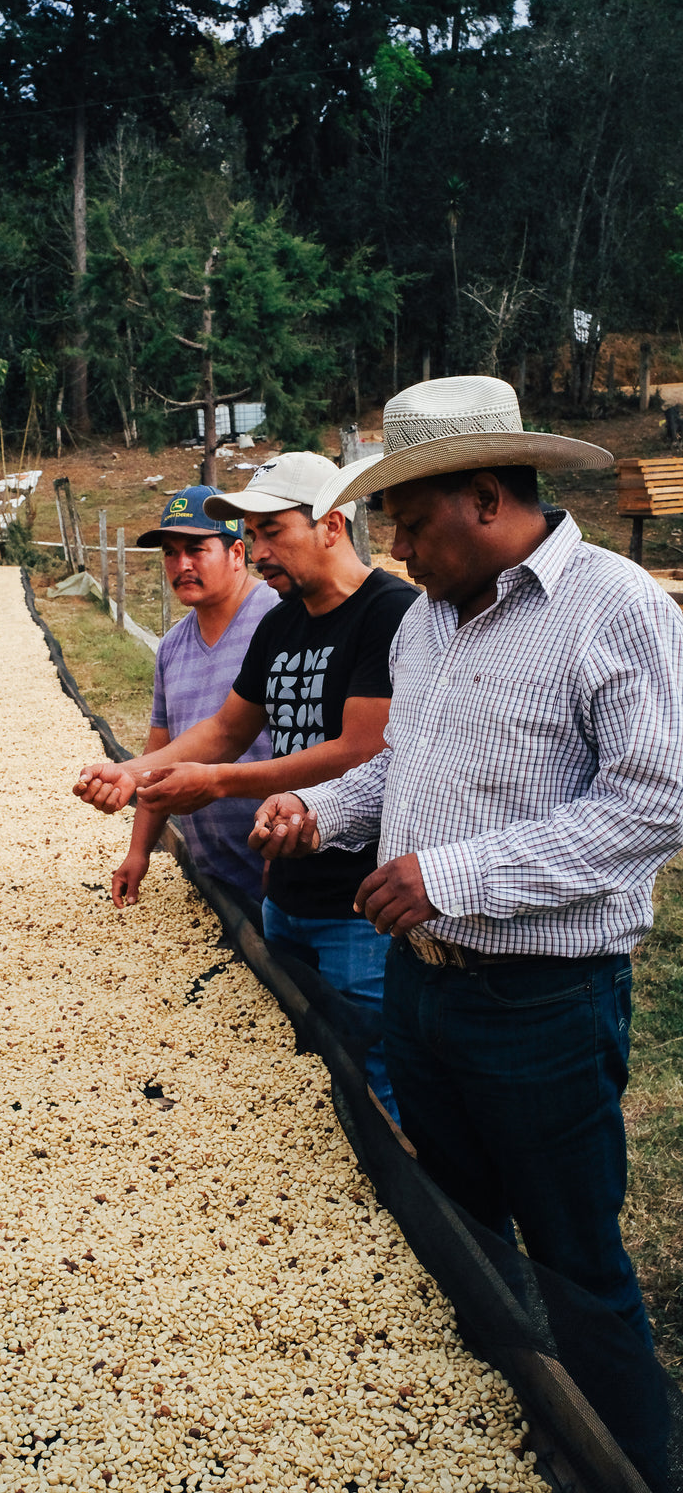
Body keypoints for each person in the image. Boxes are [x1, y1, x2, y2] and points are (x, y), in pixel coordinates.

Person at [253, 375, 683, 1351]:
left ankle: (621, 1450)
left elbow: (656, 800)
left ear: (487, 499)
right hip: (423, 989)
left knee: (574, 1260)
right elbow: (402, 766)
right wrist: (317, 811)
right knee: (458, 1234)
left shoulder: (613, 609)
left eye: (409, 522)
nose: (396, 551)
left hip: (541, 1006)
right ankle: (492, 1405)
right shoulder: (426, 620)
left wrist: (450, 879)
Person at [75, 452, 419, 1120]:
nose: (259, 552)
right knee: (298, 1064)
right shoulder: (283, 622)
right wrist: (132, 772)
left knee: (376, 1068)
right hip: (283, 892)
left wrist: (219, 784)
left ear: (332, 525)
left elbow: (357, 749)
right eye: (252, 536)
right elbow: (227, 728)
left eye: (271, 533)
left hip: (358, 901)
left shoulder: (389, 613)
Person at [112, 484, 279, 909]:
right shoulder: (171, 647)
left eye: (196, 549)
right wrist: (138, 853)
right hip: (215, 872)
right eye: (170, 552)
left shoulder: (280, 619)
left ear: (237, 554)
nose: (181, 564)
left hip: (281, 863)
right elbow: (160, 753)